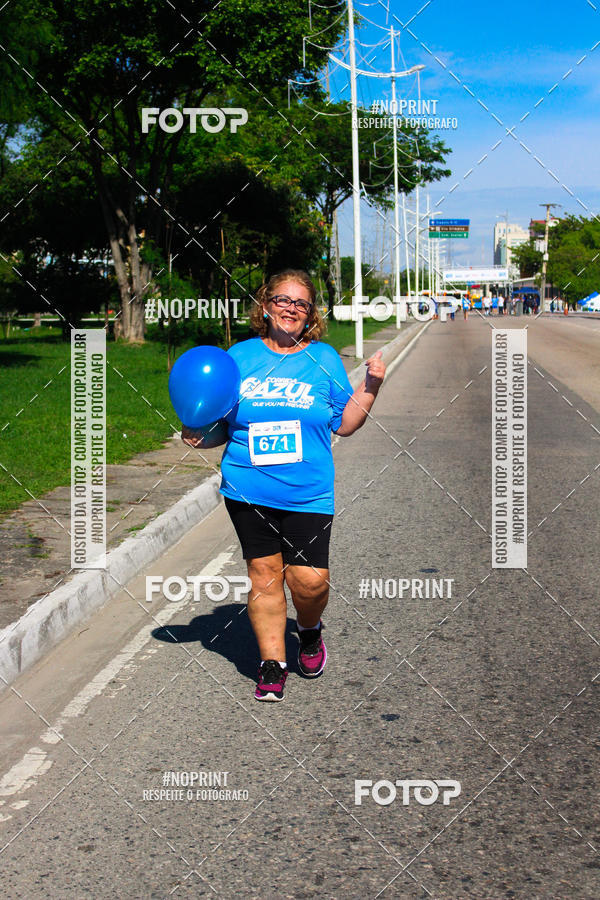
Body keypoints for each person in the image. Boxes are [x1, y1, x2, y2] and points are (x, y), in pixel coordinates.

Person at [182, 270, 385, 702]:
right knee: (264, 576)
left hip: (308, 492)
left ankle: (309, 631)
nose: (290, 308)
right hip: (248, 489)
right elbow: (221, 426)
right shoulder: (238, 358)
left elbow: (344, 424)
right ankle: (271, 664)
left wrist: (371, 388)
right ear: (265, 305)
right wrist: (199, 432)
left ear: (310, 314)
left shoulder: (324, 359)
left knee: (310, 582)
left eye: (301, 303)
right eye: (282, 299)